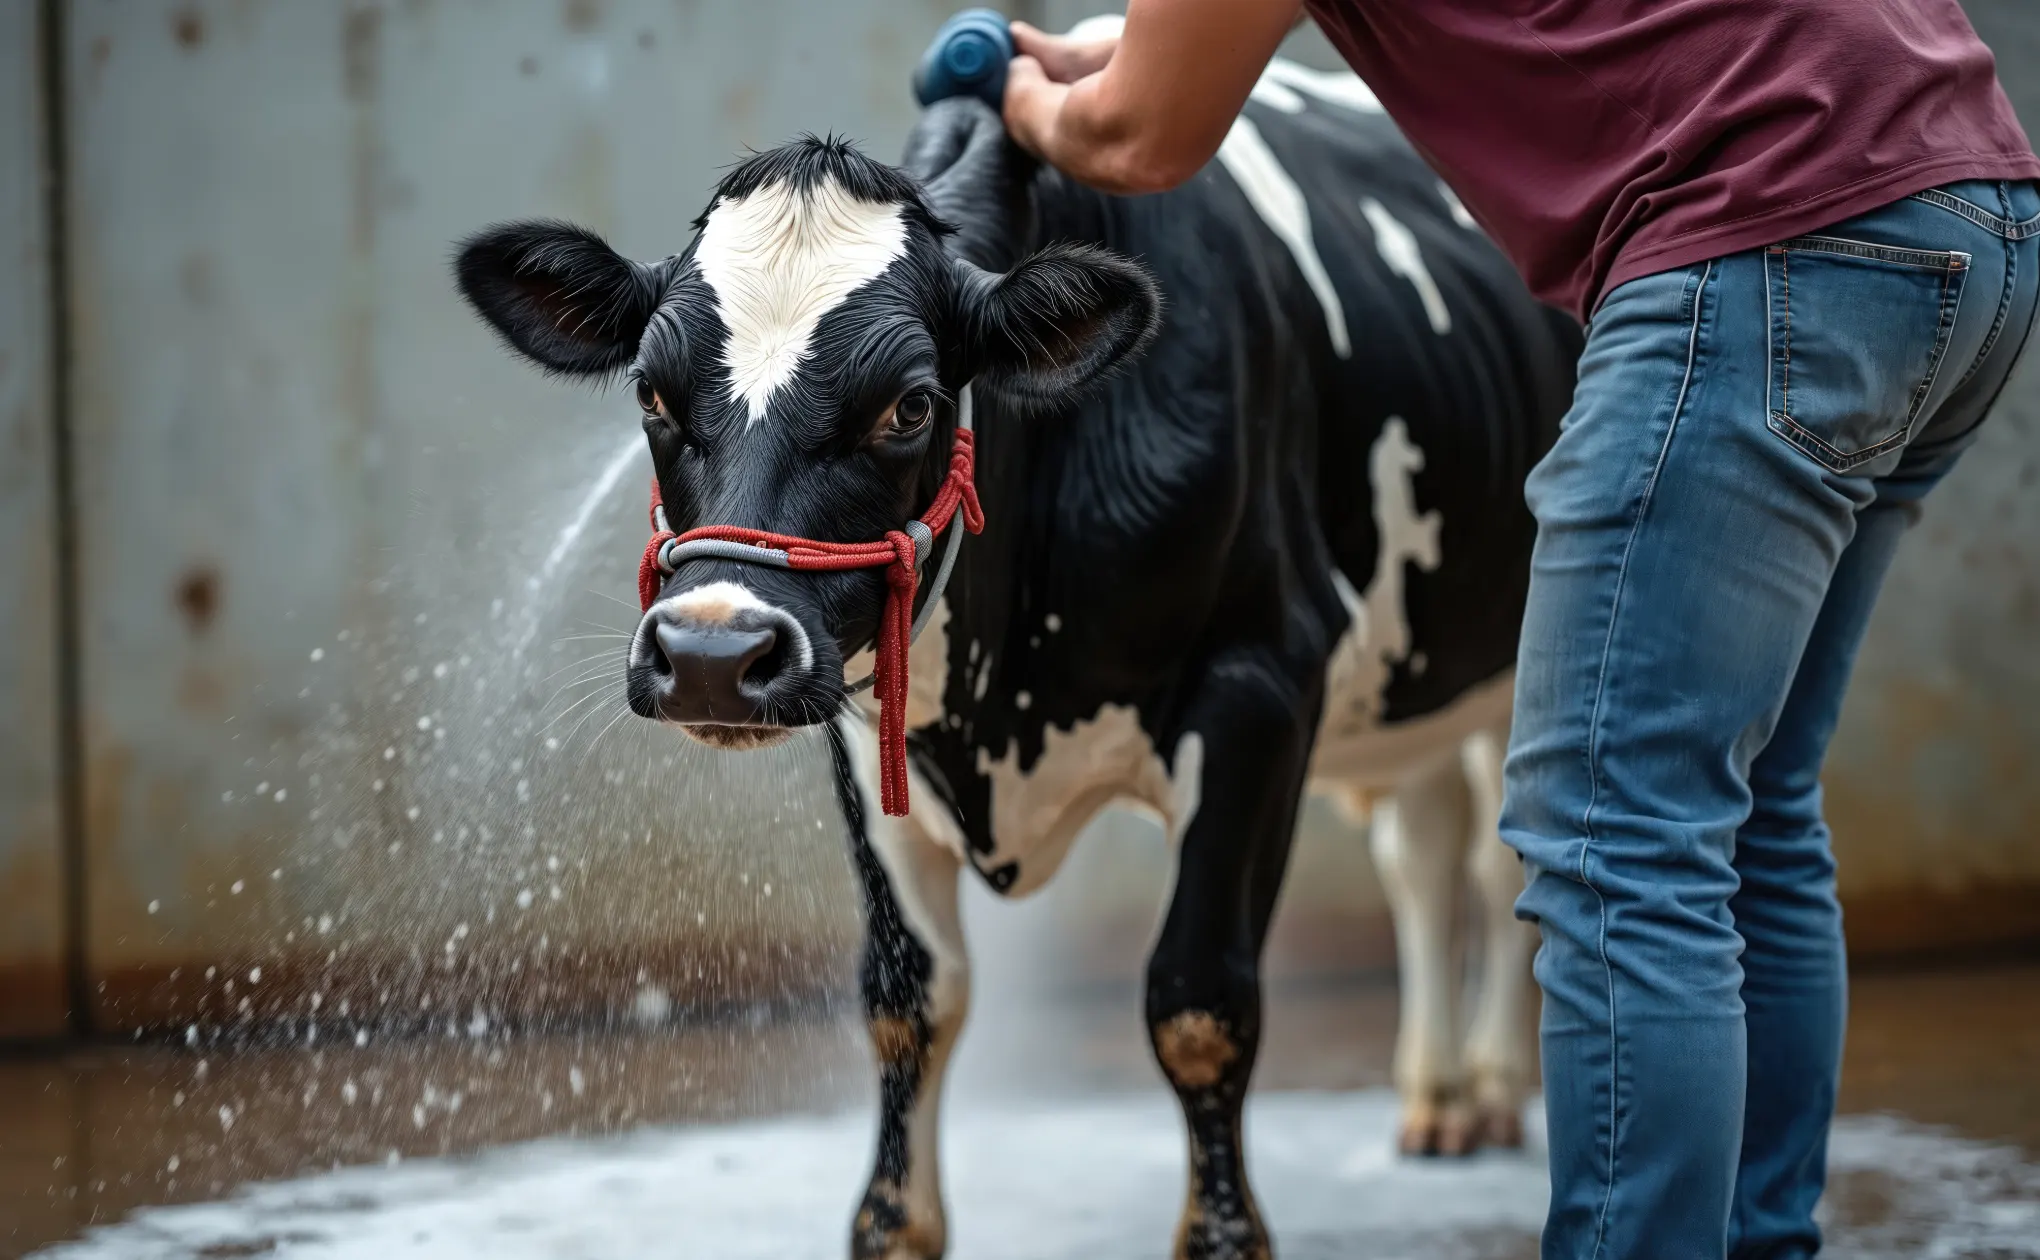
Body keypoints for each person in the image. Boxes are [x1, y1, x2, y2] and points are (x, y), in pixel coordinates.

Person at [1001, 2, 2040, 1257]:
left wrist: (1017, 103)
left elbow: (1137, 137)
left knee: (1620, 832)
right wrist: (1108, 57)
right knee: (1753, 805)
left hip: (1765, 233)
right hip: (1965, 203)